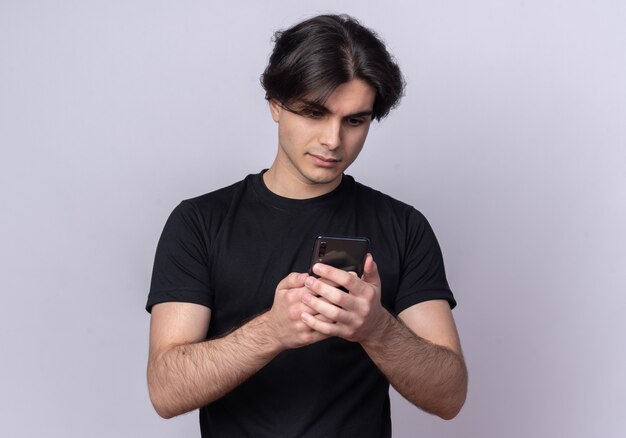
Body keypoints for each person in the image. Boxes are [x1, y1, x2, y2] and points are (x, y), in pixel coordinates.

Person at [146, 13, 467, 437]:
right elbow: (166, 392)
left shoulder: (403, 226)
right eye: (315, 113)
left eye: (355, 120)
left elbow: (450, 396)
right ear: (276, 104)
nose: (334, 140)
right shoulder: (199, 223)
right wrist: (273, 331)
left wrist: (376, 330)